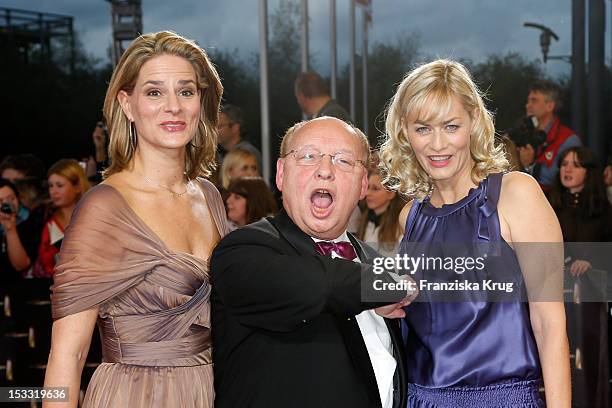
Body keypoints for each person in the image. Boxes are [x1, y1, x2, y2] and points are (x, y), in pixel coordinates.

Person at [44, 31, 226, 408]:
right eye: (155, 92)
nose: (173, 106)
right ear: (127, 105)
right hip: (136, 394)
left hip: (210, 390)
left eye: (186, 91)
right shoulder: (104, 208)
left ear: (201, 103)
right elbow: (68, 355)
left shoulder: (209, 196)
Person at [379, 59, 570, 407]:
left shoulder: (516, 195)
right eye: (423, 128)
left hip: (503, 398)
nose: (438, 144)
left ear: (473, 124)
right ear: (405, 133)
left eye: (451, 126)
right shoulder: (411, 218)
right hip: (421, 399)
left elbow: (549, 323)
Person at [211, 117, 413, 408]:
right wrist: (391, 284)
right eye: (308, 157)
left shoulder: (375, 263)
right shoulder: (242, 250)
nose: (325, 171)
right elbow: (321, 285)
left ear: (362, 186)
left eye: (344, 161)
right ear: (281, 174)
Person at [547, 146, 610, 408]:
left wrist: (592, 262)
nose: (567, 169)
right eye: (564, 164)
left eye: (576, 164)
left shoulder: (604, 212)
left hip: (589, 306)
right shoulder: (549, 206)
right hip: (553, 300)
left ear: (590, 172)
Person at [519, 80, 582, 189]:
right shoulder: (524, 135)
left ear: (550, 106)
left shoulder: (568, 140)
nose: (527, 106)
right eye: (528, 101)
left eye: (534, 101)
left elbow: (555, 180)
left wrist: (528, 165)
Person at [36, 159, 90, 277]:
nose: (53, 192)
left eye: (59, 185)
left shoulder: (94, 218)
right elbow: (46, 265)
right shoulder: (50, 226)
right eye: (51, 186)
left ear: (77, 187)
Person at [0, 178, 42, 283]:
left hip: (19, 286)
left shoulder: (31, 222)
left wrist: (10, 229)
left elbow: (21, 265)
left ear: (18, 199)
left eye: (11, 199)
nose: (7, 205)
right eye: (0, 201)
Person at [356, 169, 404, 255]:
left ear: (391, 194)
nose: (367, 193)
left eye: (375, 189)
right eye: (368, 187)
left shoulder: (400, 225)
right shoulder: (364, 219)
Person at [217, 104, 262, 170]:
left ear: (235, 128)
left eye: (219, 127)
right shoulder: (220, 155)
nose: (215, 131)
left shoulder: (247, 152)